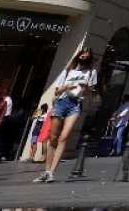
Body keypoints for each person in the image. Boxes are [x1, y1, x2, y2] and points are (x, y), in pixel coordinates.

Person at [35, 47, 98, 183]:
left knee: (64, 137)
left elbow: (90, 93)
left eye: (87, 53)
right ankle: (46, 170)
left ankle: (52, 172)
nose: (84, 55)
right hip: (62, 102)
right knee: (53, 137)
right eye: (83, 52)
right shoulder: (68, 70)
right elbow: (57, 92)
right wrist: (67, 87)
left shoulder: (91, 72)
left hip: (75, 104)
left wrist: (86, 87)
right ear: (78, 55)